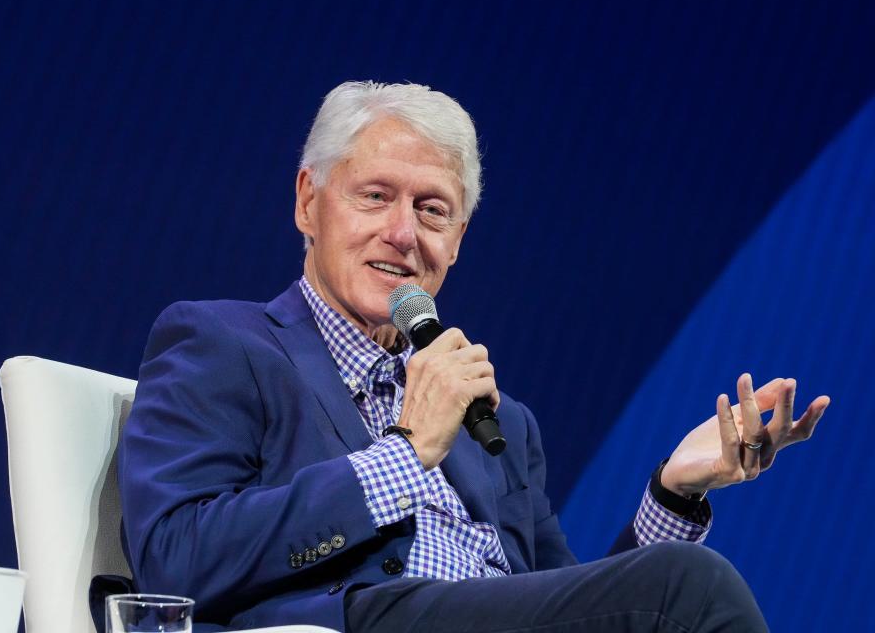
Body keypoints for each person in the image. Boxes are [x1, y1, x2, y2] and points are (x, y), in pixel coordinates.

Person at [117, 81, 830, 632]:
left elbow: (585, 610)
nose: (404, 233)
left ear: (457, 240)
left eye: (432, 210)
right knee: (689, 588)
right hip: (354, 620)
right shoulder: (222, 344)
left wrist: (676, 491)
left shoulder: (500, 424)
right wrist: (403, 454)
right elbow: (176, 558)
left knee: (679, 588)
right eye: (374, 196)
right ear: (309, 202)